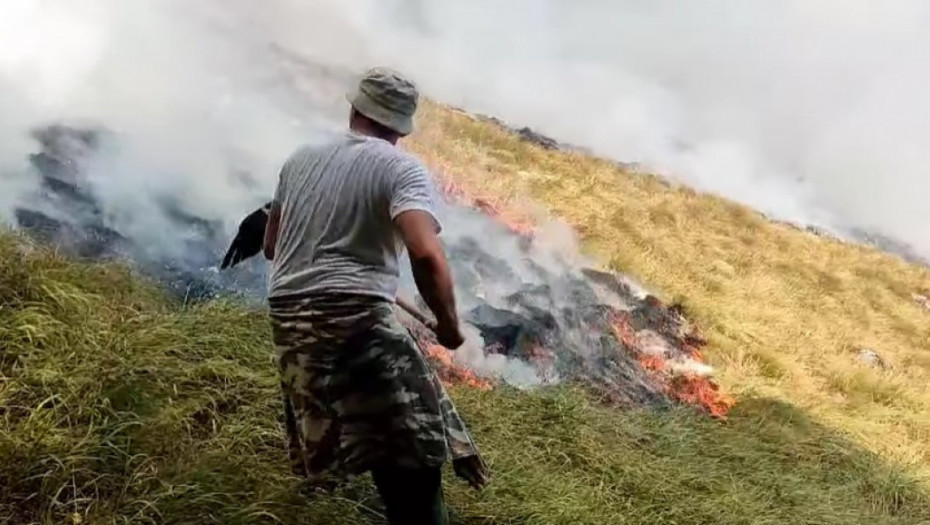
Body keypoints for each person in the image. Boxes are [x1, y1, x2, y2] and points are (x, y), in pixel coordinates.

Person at [261, 66, 489, 524]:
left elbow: (272, 247)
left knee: (373, 436)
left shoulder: (299, 159)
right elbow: (426, 254)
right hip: (355, 318)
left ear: (355, 107)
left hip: (288, 321)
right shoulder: (399, 167)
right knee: (413, 455)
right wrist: (446, 326)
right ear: (402, 125)